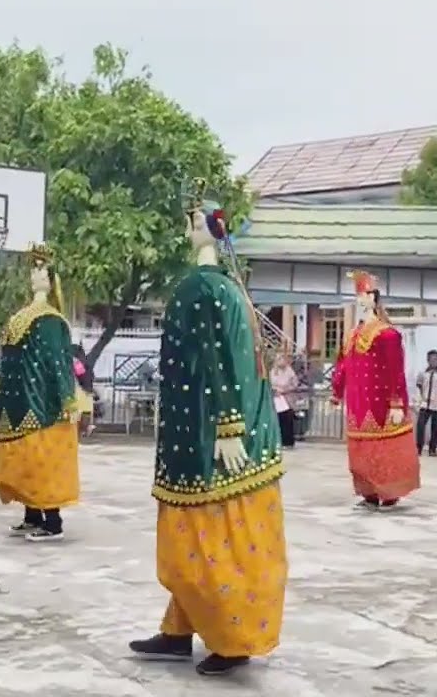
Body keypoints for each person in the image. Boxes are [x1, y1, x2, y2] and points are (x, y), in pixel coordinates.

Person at [128, 181, 288, 678]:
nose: (188, 227)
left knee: (206, 546)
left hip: (206, 441)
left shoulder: (203, 289)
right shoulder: (230, 288)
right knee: (192, 547)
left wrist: (228, 427)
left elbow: (223, 364)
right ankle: (179, 631)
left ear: (202, 229)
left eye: (192, 220)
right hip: (204, 433)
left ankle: (232, 638)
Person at [0, 245, 83, 543]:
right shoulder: (22, 316)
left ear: (51, 279)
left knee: (42, 462)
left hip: (42, 404)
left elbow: (58, 363)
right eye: (33, 270)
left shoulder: (51, 320)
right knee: (22, 463)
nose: (34, 275)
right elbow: (10, 356)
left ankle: (52, 522)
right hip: (17, 401)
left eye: (41, 270)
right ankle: (31, 516)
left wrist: (68, 398)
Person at [331, 271, 421, 511]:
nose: (360, 300)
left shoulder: (387, 334)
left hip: (380, 403)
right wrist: (337, 390)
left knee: (384, 449)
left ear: (374, 297)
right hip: (357, 403)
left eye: (364, 294)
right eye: (358, 295)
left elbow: (395, 371)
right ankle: (369, 492)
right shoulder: (352, 335)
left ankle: (389, 493)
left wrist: (396, 404)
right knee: (360, 450)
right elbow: (343, 365)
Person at [414, 349, 437, 457]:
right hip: (425, 404)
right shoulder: (422, 373)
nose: (435, 361)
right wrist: (422, 398)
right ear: (428, 360)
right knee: (420, 426)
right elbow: (420, 386)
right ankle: (418, 448)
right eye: (433, 359)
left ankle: (432, 449)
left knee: (435, 428)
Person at [270, 352, 299, 449]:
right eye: (279, 359)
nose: (281, 361)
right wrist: (274, 390)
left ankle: (288, 442)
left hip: (287, 399)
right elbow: (269, 384)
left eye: (282, 359)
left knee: (287, 421)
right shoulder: (273, 371)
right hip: (276, 398)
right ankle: (278, 441)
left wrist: (284, 390)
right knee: (277, 421)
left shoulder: (290, 372)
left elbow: (295, 384)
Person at [72, 344, 96, 438]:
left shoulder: (76, 363)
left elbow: (80, 376)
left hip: (80, 392)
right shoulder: (85, 363)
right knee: (85, 414)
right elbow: (89, 378)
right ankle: (85, 429)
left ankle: (80, 431)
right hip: (86, 393)